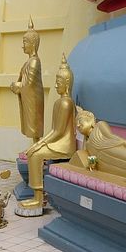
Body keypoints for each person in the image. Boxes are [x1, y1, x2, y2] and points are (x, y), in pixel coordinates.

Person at [15, 54, 76, 215]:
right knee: (34, 152)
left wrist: (39, 144)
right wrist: (39, 143)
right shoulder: (59, 102)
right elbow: (54, 130)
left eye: (59, 82)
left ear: (67, 84)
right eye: (56, 81)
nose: (56, 85)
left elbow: (59, 132)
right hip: (58, 139)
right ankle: (38, 195)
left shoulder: (65, 103)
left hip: (65, 143)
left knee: (35, 155)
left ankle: (37, 197)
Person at [10, 17, 44, 143]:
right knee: (30, 126)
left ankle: (36, 146)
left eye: (25, 42)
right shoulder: (28, 62)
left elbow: (29, 84)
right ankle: (34, 146)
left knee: (34, 127)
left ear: (33, 44)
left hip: (33, 99)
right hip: (29, 98)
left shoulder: (34, 61)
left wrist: (18, 86)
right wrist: (17, 85)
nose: (22, 46)